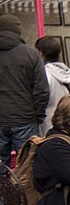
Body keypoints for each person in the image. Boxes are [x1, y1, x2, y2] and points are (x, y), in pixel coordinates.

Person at [0, 15, 48, 163]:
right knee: (27, 164)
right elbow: (42, 90)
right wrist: (38, 115)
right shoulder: (31, 54)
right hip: (25, 117)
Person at [35, 36, 70, 135]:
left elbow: (40, 97)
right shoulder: (67, 71)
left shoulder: (43, 73)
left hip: (46, 121)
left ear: (41, 53)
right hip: (65, 120)